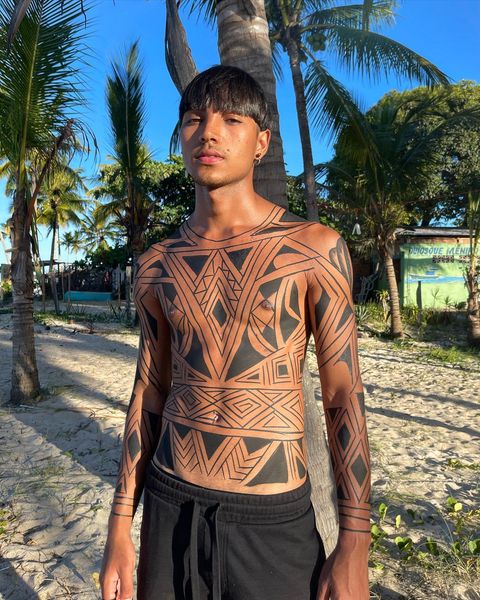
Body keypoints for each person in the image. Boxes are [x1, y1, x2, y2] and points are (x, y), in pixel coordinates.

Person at [100, 65, 371, 600]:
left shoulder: (314, 250)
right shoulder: (158, 264)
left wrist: (355, 539)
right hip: (169, 505)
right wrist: (119, 525)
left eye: (231, 120)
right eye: (193, 120)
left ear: (261, 143)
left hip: (272, 521)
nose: (209, 133)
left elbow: (343, 394)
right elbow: (149, 391)